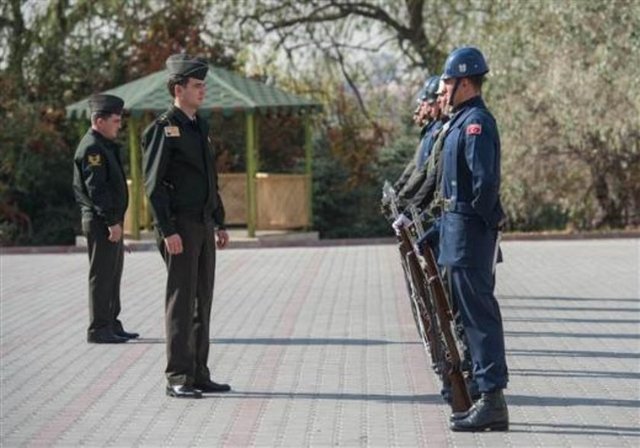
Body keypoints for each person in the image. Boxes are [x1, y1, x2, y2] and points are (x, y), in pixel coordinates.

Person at [142, 54, 230, 399]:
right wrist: (167, 230)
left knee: (201, 300)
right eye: (197, 85)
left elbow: (210, 179)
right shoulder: (163, 129)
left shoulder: (199, 126)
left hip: (203, 224)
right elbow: (154, 184)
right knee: (181, 301)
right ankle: (177, 376)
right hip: (179, 226)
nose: (202, 90)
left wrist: (219, 221)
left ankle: (198, 372)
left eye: (203, 85)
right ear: (178, 89)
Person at [437, 47, 509, 432]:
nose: (444, 88)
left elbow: (485, 185)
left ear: (465, 82)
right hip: (456, 232)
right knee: (468, 320)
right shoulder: (461, 121)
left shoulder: (476, 123)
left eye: (449, 81)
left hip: (468, 234)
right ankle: (483, 396)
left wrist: (477, 224)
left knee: (480, 319)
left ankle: (492, 399)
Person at [72, 94, 139, 344]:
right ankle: (99, 328)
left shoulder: (103, 145)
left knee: (113, 273)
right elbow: (96, 189)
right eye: (115, 120)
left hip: (109, 220)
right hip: (101, 222)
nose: (118, 125)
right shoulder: (92, 148)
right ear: (99, 120)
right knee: (102, 275)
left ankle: (112, 322)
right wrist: (111, 222)